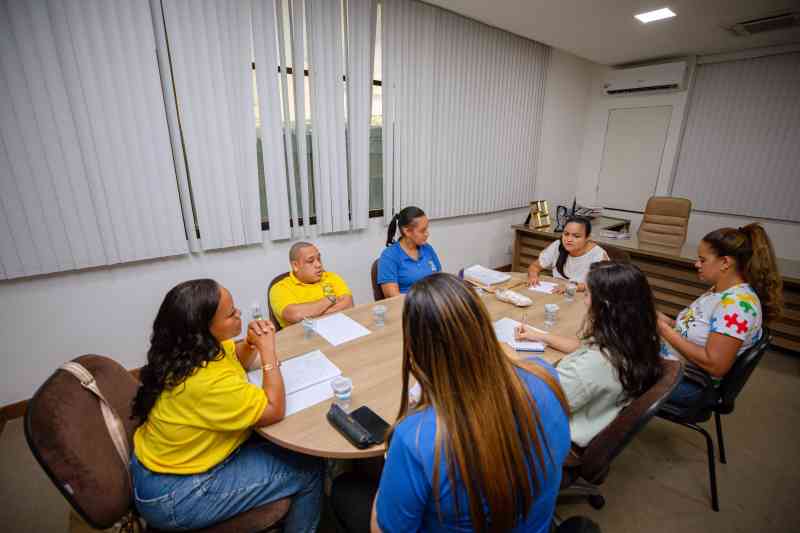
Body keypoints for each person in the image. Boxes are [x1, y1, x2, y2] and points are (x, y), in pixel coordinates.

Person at [333, 273, 570, 533]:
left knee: (345, 489)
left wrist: (391, 465)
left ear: (416, 350)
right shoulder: (545, 375)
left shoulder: (416, 438)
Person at [130, 279, 323, 532]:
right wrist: (268, 354)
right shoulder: (205, 383)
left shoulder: (191, 349)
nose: (239, 314)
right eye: (231, 314)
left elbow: (235, 359)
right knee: (309, 468)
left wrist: (251, 343)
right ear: (205, 328)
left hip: (164, 465)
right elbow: (274, 409)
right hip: (176, 494)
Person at [516, 261, 663, 447]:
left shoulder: (596, 364)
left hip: (555, 436)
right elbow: (582, 347)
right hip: (592, 411)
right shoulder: (634, 336)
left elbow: (539, 404)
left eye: (587, 294)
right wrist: (539, 335)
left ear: (605, 305)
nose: (584, 300)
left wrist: (512, 362)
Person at [657, 224, 783, 406]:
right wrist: (663, 320)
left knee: (610, 369)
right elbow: (694, 329)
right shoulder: (718, 291)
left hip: (689, 384)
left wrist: (664, 330)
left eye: (702, 259)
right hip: (672, 367)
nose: (696, 264)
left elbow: (715, 365)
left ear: (725, 262)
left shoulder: (736, 307)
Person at [270, 241, 353, 328]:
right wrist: (330, 299)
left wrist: (309, 314)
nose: (318, 265)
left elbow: (348, 305)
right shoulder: (280, 288)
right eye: (310, 261)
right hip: (303, 337)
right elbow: (295, 315)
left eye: (319, 259)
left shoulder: (331, 277)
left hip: (337, 329)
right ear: (295, 266)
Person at [527, 216, 608, 293]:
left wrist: (571, 287)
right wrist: (533, 276)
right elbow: (535, 266)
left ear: (587, 238)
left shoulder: (599, 255)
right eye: (566, 234)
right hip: (557, 292)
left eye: (576, 236)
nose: (569, 240)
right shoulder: (558, 245)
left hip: (581, 297)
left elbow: (598, 285)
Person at [377, 206, 442, 298]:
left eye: (427, 229)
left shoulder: (427, 248)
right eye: (422, 231)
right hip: (407, 307)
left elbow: (440, 280)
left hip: (432, 303)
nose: (427, 234)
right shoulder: (389, 256)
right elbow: (392, 296)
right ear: (407, 231)